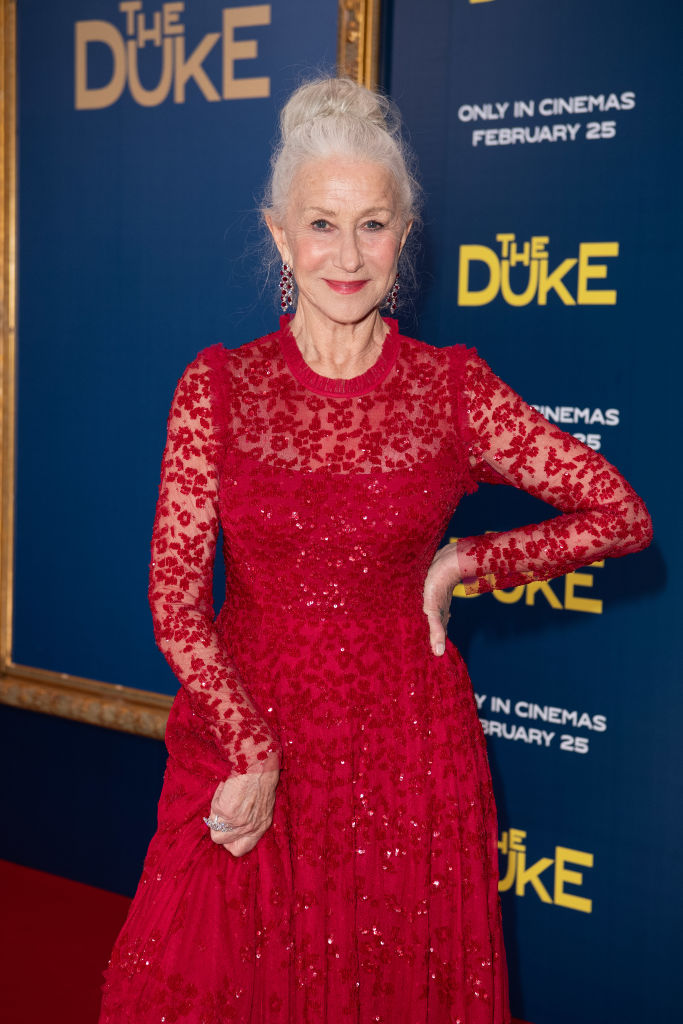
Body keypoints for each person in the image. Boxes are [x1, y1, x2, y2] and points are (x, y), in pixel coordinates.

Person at [99, 77, 652, 1024]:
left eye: (372, 225)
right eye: (321, 225)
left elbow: (618, 512)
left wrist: (469, 561)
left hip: (403, 752)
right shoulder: (218, 388)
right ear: (280, 236)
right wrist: (253, 748)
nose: (347, 255)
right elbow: (176, 603)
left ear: (404, 237)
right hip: (247, 731)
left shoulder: (452, 390)